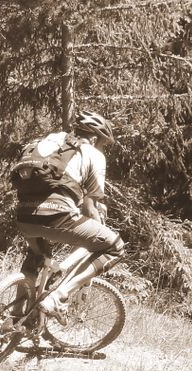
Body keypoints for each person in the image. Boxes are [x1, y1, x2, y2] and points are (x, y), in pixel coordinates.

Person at [11, 111, 125, 322]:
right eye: (103, 143)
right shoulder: (93, 153)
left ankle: (14, 318)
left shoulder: (52, 141)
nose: (102, 148)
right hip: (57, 216)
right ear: (94, 138)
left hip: (23, 216)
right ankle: (57, 298)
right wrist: (99, 229)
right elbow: (91, 206)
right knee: (115, 247)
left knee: (37, 257)